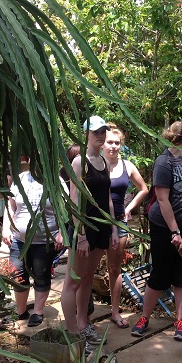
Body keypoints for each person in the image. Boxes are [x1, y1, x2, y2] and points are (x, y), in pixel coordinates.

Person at [131, 120, 182, 342]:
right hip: (165, 227)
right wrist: (174, 232)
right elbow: (162, 199)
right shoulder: (164, 162)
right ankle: (144, 317)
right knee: (160, 273)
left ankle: (180, 322)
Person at [61, 115, 118, 350]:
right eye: (95, 131)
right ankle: (73, 333)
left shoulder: (103, 161)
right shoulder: (79, 162)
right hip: (84, 229)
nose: (100, 135)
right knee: (72, 283)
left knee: (87, 281)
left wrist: (114, 228)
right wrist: (81, 235)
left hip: (102, 227)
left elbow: (107, 199)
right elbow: (74, 200)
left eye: (103, 131)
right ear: (85, 134)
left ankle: (84, 324)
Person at [2, 158, 67, 327]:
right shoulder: (20, 179)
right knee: (17, 274)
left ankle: (38, 311)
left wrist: (61, 232)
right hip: (19, 239)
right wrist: (6, 228)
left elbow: (65, 209)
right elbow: (10, 205)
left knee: (41, 274)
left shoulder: (56, 181)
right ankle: (21, 311)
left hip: (45, 240)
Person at [103, 124, 149, 328]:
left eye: (117, 143)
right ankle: (83, 313)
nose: (113, 146)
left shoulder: (127, 165)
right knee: (84, 270)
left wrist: (129, 207)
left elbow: (144, 188)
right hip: (95, 221)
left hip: (119, 220)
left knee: (114, 268)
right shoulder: (95, 164)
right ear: (102, 144)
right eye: (109, 142)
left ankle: (114, 311)